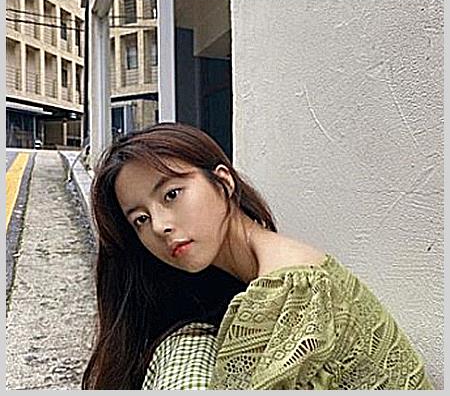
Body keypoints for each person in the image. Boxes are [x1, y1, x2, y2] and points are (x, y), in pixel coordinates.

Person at [82, 122, 433, 390]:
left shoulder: (288, 289)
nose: (160, 226)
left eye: (172, 194)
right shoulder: (261, 275)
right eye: (140, 219)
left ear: (223, 182)